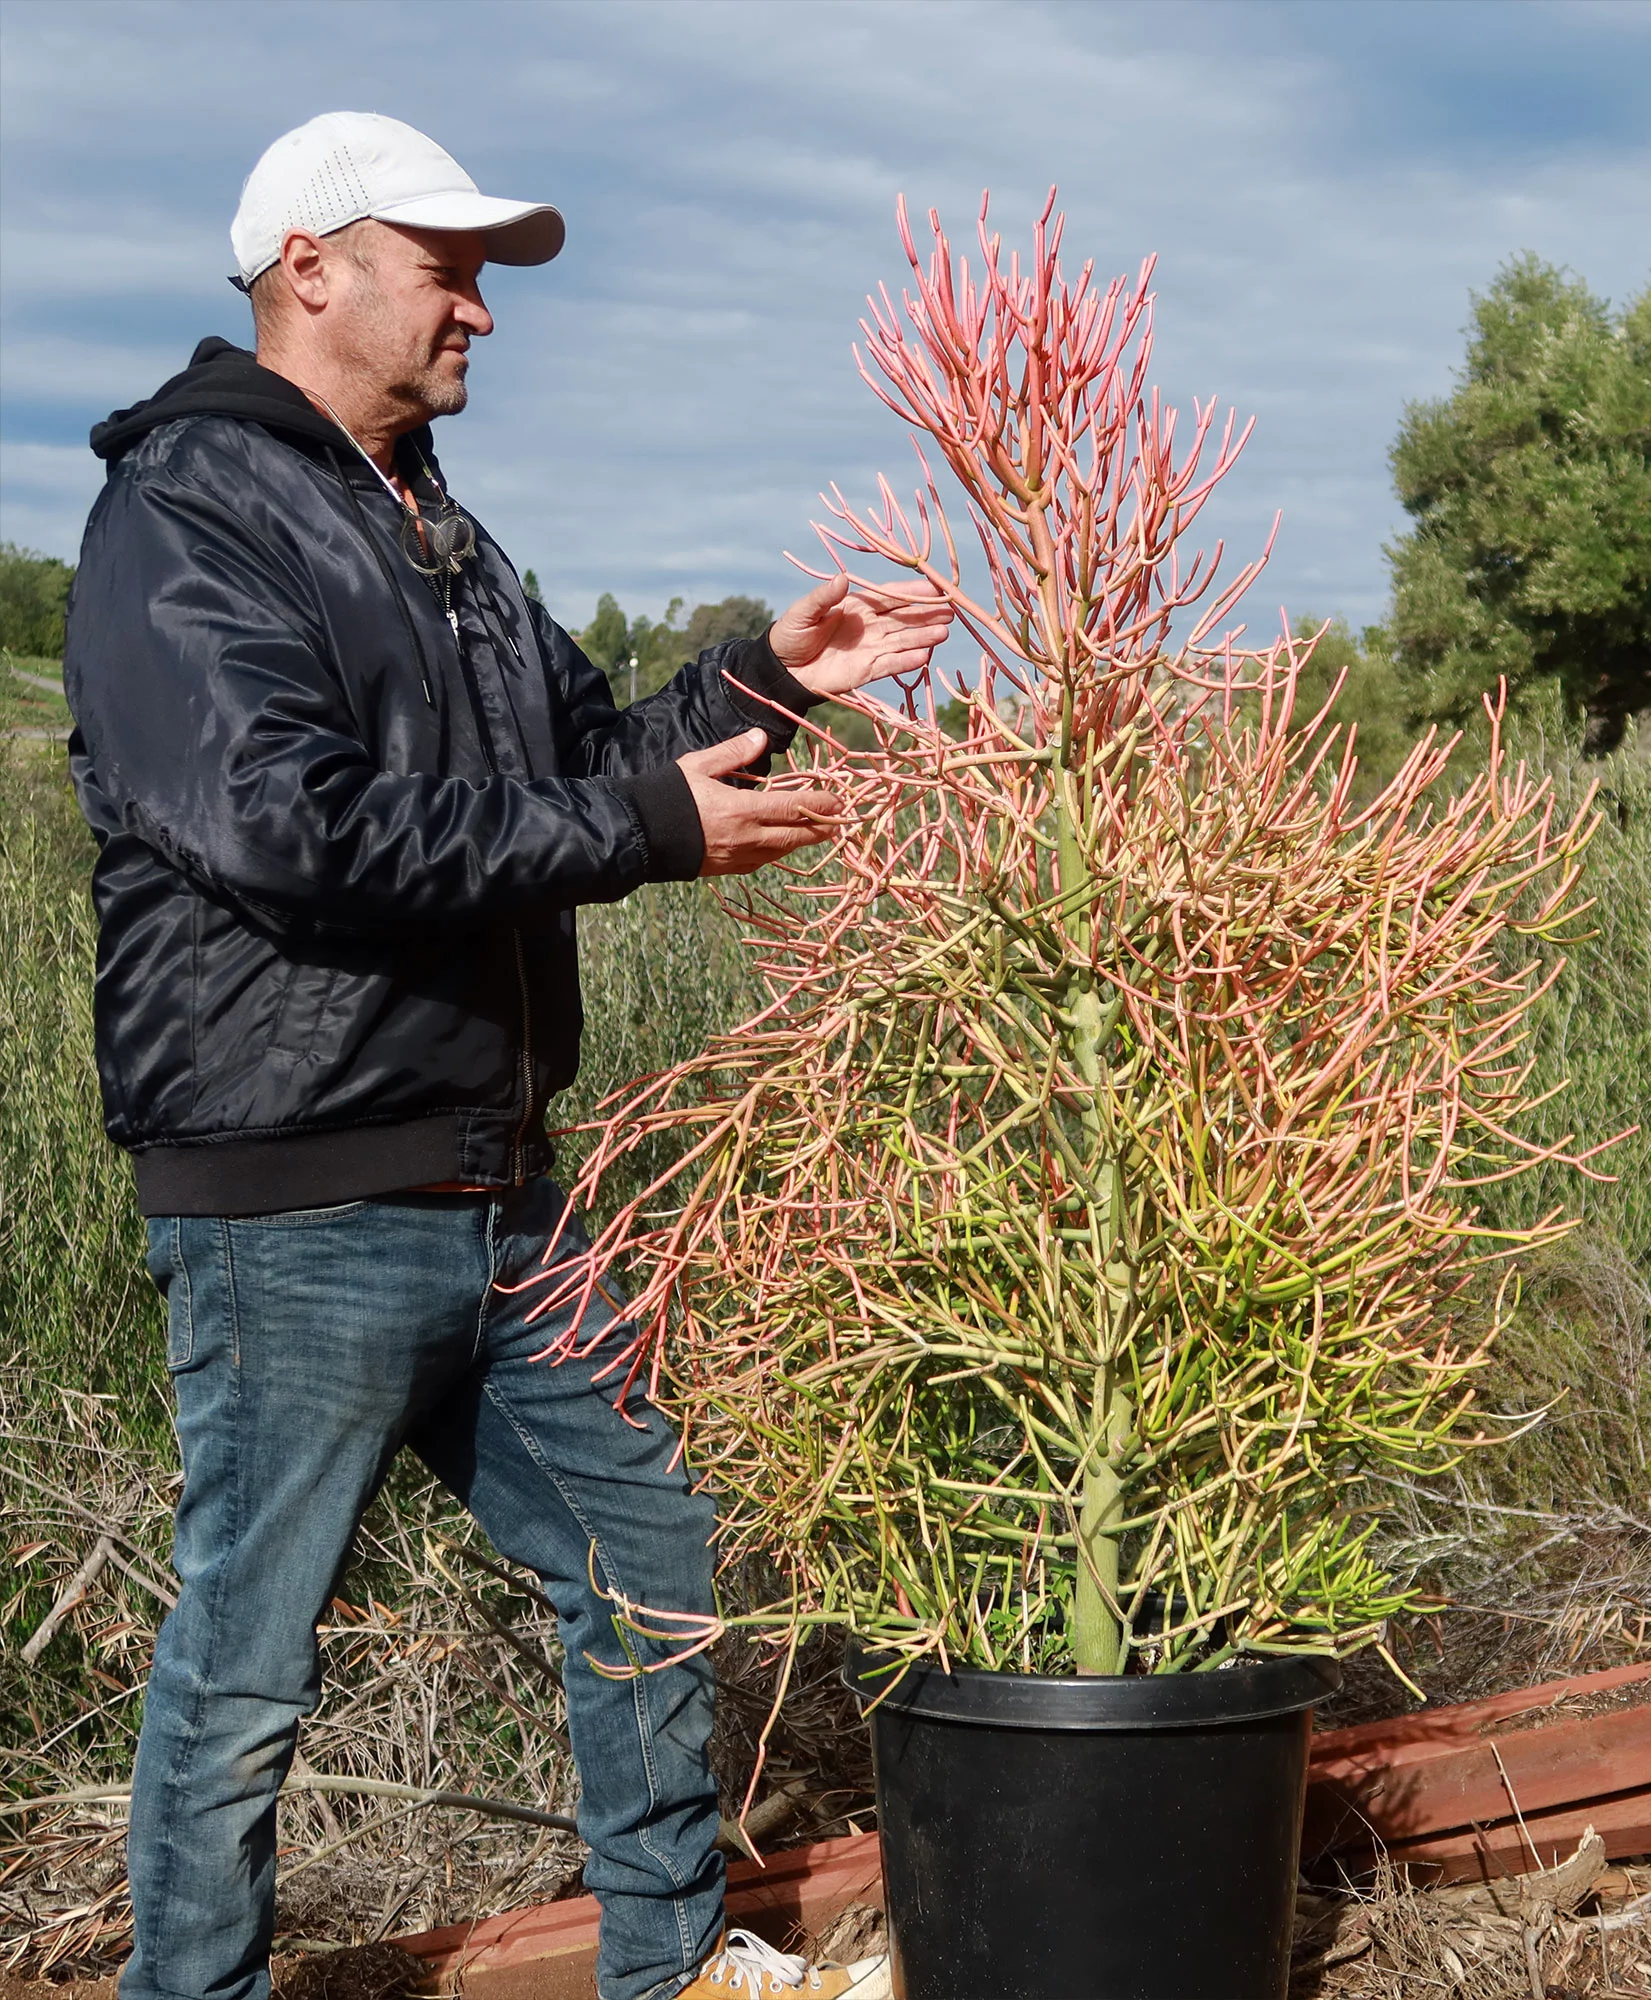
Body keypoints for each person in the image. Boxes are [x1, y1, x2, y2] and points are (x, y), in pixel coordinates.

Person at [65, 112, 946, 2000]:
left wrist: (770, 681)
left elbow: (583, 754)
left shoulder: (435, 527)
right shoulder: (189, 510)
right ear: (312, 265)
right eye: (447, 264)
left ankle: (671, 1966)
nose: (482, 308)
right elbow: (290, 829)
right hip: (295, 1197)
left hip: (496, 1185)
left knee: (651, 1559)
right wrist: (643, 829)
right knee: (247, 1668)